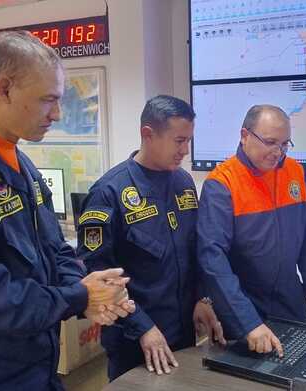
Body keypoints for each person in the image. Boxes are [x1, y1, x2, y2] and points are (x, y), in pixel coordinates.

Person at [0, 31, 135, 391]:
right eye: (47, 100)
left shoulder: (22, 166)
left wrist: (86, 294)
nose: (56, 113)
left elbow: (53, 248)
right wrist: (80, 297)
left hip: (38, 367)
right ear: (4, 89)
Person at [77, 95, 225, 381]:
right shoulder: (108, 193)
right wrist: (142, 326)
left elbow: (194, 251)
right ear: (148, 134)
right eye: (178, 141)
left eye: (189, 141)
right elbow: (100, 276)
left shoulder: (183, 182)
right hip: (134, 339)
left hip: (181, 332)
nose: (185, 150)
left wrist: (202, 299)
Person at [197, 104, 306, 356]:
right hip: (243, 307)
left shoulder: (296, 172)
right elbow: (212, 259)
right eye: (271, 142)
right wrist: (248, 322)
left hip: (289, 301)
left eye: (285, 144)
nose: (278, 152)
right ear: (244, 135)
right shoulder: (222, 184)